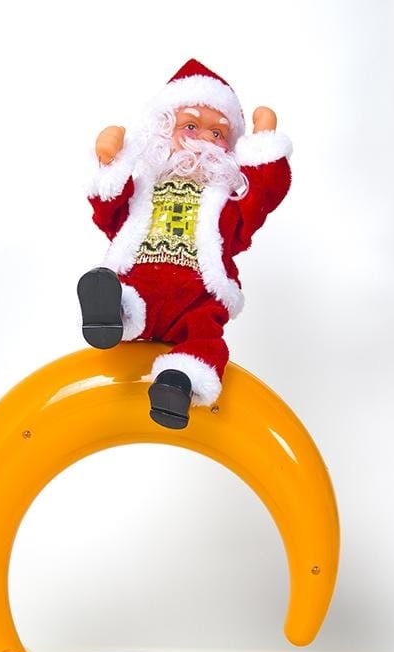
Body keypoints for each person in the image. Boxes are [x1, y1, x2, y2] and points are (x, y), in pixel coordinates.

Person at [78, 59, 292, 429]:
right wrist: (112, 160)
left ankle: (178, 386)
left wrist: (264, 143)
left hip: (197, 298)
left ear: (230, 147)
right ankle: (112, 315)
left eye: (217, 133)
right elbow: (108, 211)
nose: (202, 139)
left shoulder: (226, 200)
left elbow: (260, 199)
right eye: (190, 126)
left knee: (204, 338)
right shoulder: (144, 187)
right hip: (141, 285)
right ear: (164, 130)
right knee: (126, 295)